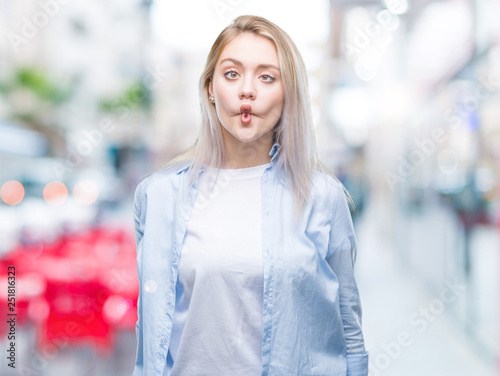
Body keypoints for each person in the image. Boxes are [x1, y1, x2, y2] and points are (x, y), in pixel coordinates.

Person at [132, 15, 369, 376]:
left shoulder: (323, 196)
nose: (247, 90)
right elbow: (150, 329)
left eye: (267, 77)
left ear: (288, 92)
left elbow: (349, 325)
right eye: (231, 74)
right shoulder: (158, 195)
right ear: (210, 88)